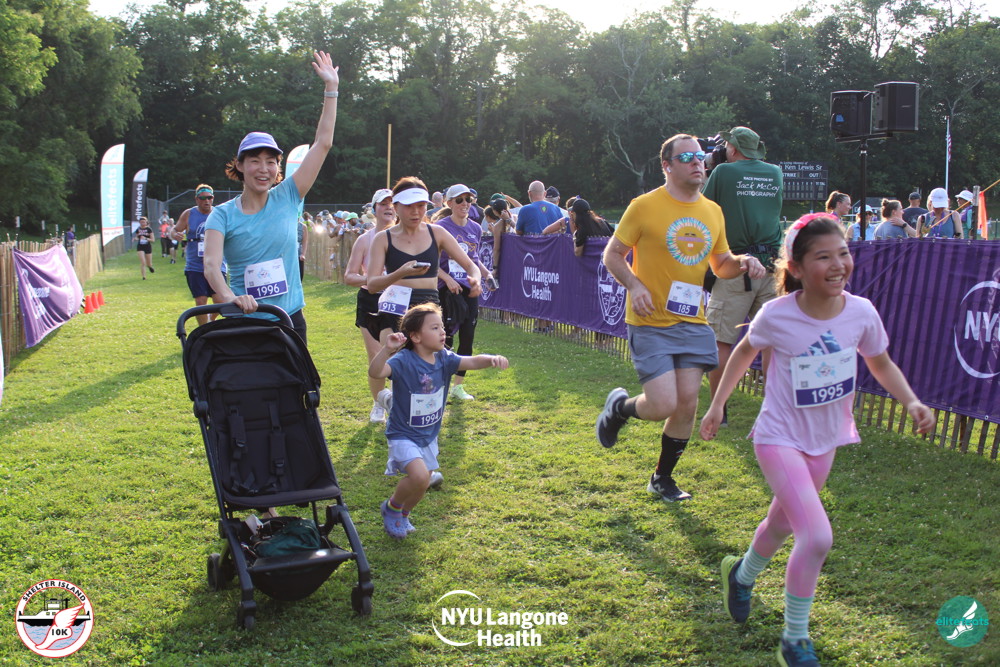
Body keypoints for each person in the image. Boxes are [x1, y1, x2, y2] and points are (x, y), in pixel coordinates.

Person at [699, 213, 933, 667]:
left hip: (825, 440)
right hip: (778, 437)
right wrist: (717, 404)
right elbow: (744, 351)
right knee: (817, 536)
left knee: (783, 524)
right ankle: (795, 638)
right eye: (823, 257)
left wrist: (911, 401)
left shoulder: (861, 312)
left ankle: (741, 575)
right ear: (797, 268)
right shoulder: (778, 314)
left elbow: (880, 362)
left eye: (843, 253)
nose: (838, 265)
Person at [595, 133, 766, 501]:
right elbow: (612, 254)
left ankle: (662, 478)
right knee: (662, 405)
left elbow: (721, 265)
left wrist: (743, 262)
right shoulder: (644, 206)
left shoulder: (712, 211)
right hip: (649, 320)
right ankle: (620, 408)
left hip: (692, 320)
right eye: (686, 157)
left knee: (687, 402)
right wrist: (635, 285)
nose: (697, 162)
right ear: (667, 166)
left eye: (700, 156)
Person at [204, 50, 341, 346]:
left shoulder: (289, 194)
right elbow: (211, 265)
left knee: (299, 378)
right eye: (254, 161)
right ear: (240, 166)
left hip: (290, 319)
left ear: (278, 168)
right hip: (246, 321)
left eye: (271, 161)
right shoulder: (222, 215)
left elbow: (323, 143)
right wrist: (229, 297)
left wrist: (331, 89)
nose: (263, 169)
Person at [368, 303, 509, 539]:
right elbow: (376, 373)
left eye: (442, 327)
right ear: (415, 337)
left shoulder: (444, 358)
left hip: (428, 436)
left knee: (423, 482)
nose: (443, 332)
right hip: (403, 434)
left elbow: (471, 361)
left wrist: (492, 359)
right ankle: (392, 508)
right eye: (434, 328)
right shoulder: (403, 360)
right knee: (420, 477)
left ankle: (404, 514)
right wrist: (386, 350)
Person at [702, 126, 784, 422]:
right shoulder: (775, 173)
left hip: (735, 264)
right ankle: (775, 409)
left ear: (733, 148)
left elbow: (704, 208)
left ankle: (719, 408)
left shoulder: (723, 172)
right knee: (773, 341)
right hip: (773, 266)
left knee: (721, 341)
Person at [366, 176, 482, 346]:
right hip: (395, 307)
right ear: (396, 206)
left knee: (432, 360)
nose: (415, 212)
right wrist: (401, 273)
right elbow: (372, 285)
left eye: (421, 206)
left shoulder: (437, 233)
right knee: (396, 360)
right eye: (409, 206)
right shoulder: (383, 238)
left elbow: (471, 265)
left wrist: (476, 280)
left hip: (429, 307)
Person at [435, 183, 495, 401]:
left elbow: (473, 260)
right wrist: (447, 279)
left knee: (468, 336)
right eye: (459, 200)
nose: (465, 204)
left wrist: (486, 275)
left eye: (468, 200)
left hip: (469, 289)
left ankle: (458, 386)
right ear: (449, 203)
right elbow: (431, 262)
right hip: (447, 289)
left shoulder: (476, 228)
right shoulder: (440, 227)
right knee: (445, 337)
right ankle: (440, 383)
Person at [344, 188, 396, 423]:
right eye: (383, 204)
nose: (388, 208)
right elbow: (349, 276)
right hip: (371, 299)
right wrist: (374, 279)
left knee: (400, 354)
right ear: (374, 209)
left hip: (398, 300)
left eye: (392, 203)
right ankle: (378, 403)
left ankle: (397, 401)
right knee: (376, 355)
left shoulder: (404, 238)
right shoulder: (365, 239)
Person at [173, 185, 228, 326]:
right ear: (197, 199)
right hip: (195, 266)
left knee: (220, 299)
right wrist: (175, 234)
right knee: (200, 300)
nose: (207, 201)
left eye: (209, 198)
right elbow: (174, 229)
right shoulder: (189, 214)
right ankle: (203, 330)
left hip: (217, 264)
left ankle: (210, 320)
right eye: (203, 198)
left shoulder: (219, 213)